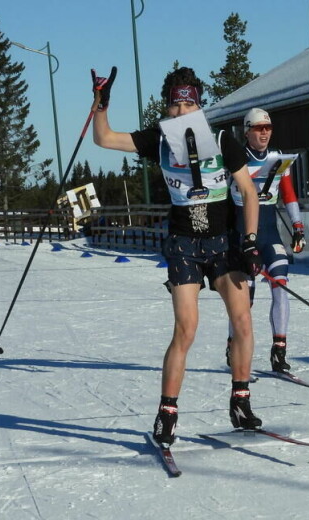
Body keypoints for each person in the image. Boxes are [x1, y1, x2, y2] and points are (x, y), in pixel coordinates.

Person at [90, 66, 263, 447]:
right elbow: (103, 139)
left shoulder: (222, 139)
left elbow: (249, 192)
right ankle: (167, 412)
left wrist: (249, 241)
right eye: (176, 102)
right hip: (184, 245)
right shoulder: (159, 141)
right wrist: (101, 103)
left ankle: (240, 401)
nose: (183, 109)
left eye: (190, 101)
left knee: (243, 322)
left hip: (223, 244)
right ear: (167, 107)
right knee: (186, 329)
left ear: (199, 104)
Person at [226, 108, 306, 374]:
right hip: (242, 233)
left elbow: (289, 194)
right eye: (259, 128)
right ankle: (234, 346)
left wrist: (298, 226)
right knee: (244, 297)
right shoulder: (235, 157)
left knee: (281, 284)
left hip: (270, 232)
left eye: (268, 128)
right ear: (247, 131)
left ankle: (279, 351)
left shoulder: (277, 158)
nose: (264, 132)